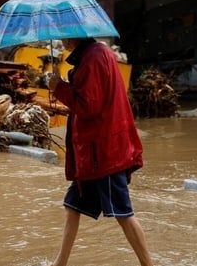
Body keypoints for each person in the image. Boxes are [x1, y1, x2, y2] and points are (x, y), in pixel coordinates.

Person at [47, 37, 153, 266]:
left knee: (123, 214)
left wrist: (60, 88)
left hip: (104, 154)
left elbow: (88, 106)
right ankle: (60, 263)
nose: (62, 40)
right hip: (96, 153)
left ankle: (148, 264)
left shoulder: (93, 58)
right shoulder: (93, 55)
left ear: (75, 35)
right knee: (72, 206)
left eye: (65, 36)